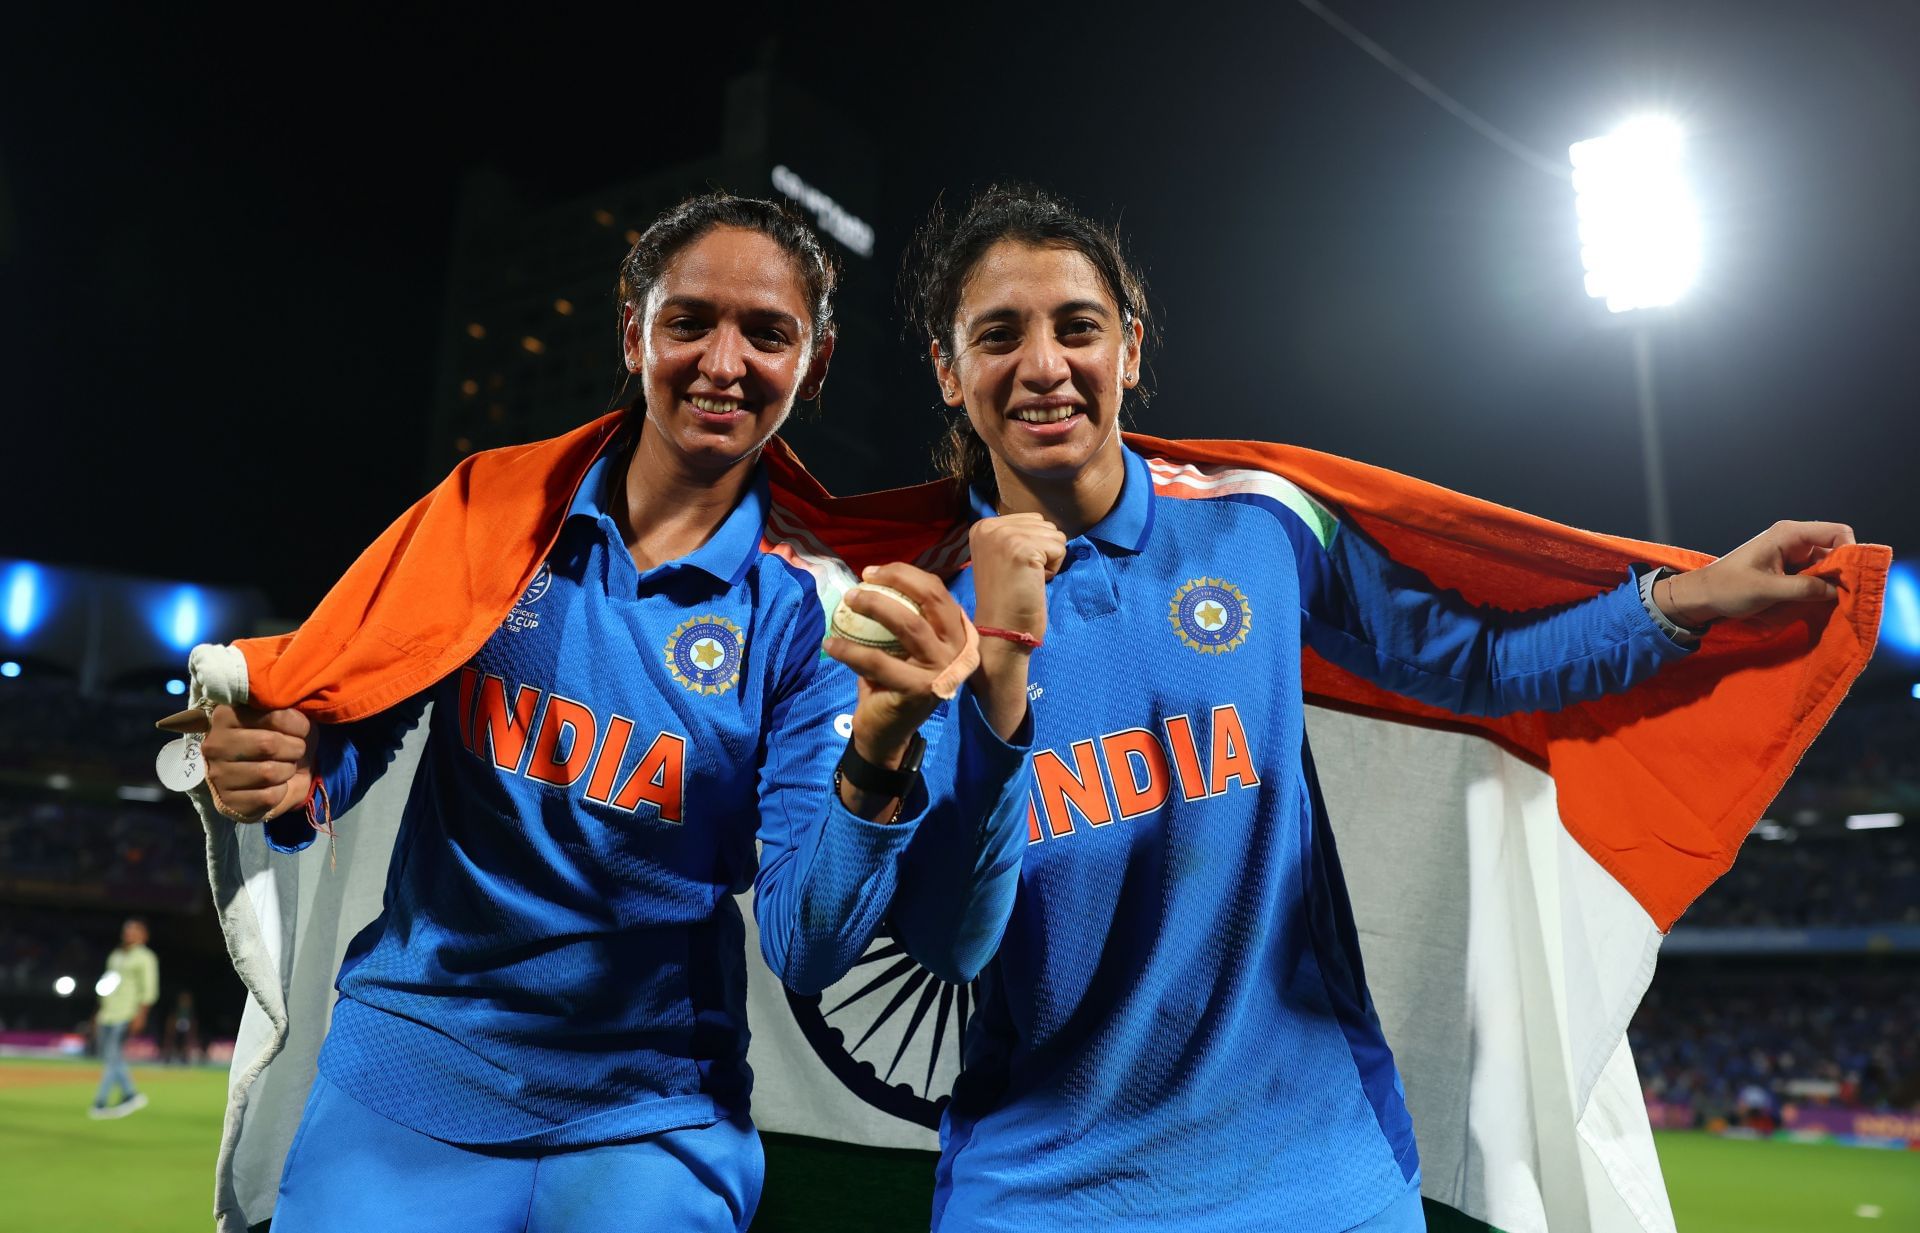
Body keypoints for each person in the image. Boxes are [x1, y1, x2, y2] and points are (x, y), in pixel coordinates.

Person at [896, 184, 1858, 1231]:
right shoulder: (920, 626)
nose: (1044, 365)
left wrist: (1691, 598)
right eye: (999, 336)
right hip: (1047, 1196)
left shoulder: (1258, 526)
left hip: (1316, 1180)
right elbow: (949, 942)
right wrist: (996, 670)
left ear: (1128, 348)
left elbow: (1478, 665)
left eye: (1076, 328)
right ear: (950, 372)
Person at [196, 193, 1037, 1233]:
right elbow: (359, 718)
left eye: (767, 334)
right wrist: (294, 773)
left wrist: (879, 746)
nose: (723, 363)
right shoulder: (496, 517)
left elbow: (810, 947)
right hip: (409, 1079)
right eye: (690, 321)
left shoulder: (813, 613)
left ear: (811, 368)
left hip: (648, 1122)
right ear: (632, 333)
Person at [89, 917, 157, 1119]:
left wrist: (141, 1015)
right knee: (110, 1056)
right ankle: (130, 1094)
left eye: (134, 930)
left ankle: (100, 1103)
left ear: (144, 935)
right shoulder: (116, 956)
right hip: (108, 1013)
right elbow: (107, 985)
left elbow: (149, 989)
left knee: (112, 1057)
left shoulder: (145, 957)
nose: (129, 933)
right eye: (127, 930)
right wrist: (98, 1011)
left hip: (126, 1012)